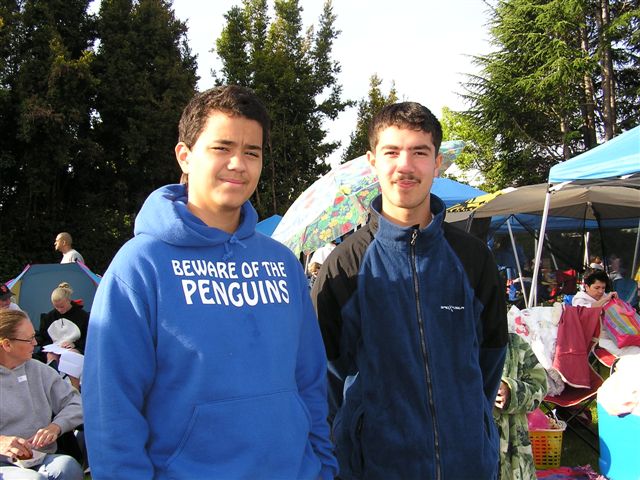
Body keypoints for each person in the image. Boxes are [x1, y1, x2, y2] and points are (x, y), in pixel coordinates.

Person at [82, 85, 337, 479]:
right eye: (222, 148)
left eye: (252, 152)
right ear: (185, 155)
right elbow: (111, 409)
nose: (238, 164)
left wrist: (322, 466)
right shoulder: (139, 266)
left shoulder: (283, 264)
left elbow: (310, 381)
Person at [312, 102, 508, 479]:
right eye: (392, 152)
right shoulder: (344, 266)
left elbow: (490, 359)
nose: (405, 165)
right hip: (376, 469)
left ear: (437, 163)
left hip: (468, 465)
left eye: (419, 152)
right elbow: (324, 379)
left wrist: (470, 428)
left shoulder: (473, 258)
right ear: (372, 162)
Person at [0, 309, 84, 480]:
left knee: (69, 467)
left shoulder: (39, 370)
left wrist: (56, 426)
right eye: (29, 339)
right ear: (7, 345)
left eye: (34, 336)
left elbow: (76, 403)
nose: (36, 342)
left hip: (41, 456)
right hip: (3, 463)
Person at [494, 333, 548, 480]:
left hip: (511, 455)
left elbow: (540, 386)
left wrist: (511, 391)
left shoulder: (514, 344)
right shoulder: (452, 346)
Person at [37, 283, 89, 355]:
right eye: (56, 307)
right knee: (51, 355)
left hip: (75, 349)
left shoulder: (83, 316)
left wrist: (75, 344)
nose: (59, 310)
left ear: (69, 300)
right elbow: (44, 338)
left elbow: (88, 338)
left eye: (62, 306)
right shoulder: (49, 317)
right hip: (55, 349)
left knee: (71, 354)